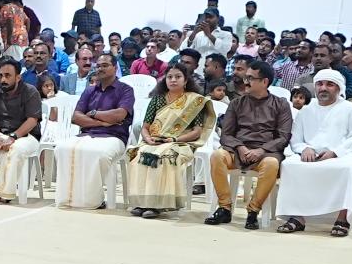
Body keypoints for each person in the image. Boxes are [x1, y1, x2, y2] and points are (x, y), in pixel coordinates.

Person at [274, 68, 352, 237]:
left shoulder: (351, 109)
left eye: (329, 84)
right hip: (311, 154)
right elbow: (296, 139)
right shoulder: (306, 110)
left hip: (344, 154)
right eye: (320, 84)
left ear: (339, 88)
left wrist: (335, 152)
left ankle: (343, 218)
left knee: (349, 169)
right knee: (289, 165)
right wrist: (305, 148)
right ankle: (297, 217)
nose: (323, 88)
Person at [206, 58, 293, 229]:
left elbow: (284, 137)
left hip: (266, 153)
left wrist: (261, 150)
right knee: (217, 156)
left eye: (251, 78)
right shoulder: (237, 103)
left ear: (265, 82)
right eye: (246, 77)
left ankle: (253, 211)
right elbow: (226, 134)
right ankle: (224, 208)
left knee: (272, 164)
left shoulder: (281, 104)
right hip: (238, 150)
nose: (245, 81)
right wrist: (240, 147)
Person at [125, 64, 215, 218]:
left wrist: (173, 138)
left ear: (185, 80)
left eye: (178, 77)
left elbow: (196, 132)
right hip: (154, 140)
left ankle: (158, 205)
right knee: (138, 154)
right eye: (170, 77)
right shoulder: (157, 99)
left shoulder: (194, 101)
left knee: (165, 157)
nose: (173, 80)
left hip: (180, 142)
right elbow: (145, 127)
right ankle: (142, 202)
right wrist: (148, 139)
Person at [48, 52, 133, 209]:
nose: (100, 69)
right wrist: (102, 122)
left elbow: (119, 115)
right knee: (62, 148)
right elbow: (76, 117)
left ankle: (93, 200)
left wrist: (93, 113)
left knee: (99, 153)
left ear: (115, 67)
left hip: (114, 136)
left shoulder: (125, 90)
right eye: (98, 66)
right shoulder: (90, 90)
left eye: (105, 65)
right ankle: (67, 198)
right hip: (87, 134)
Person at [0, 57, 42, 204]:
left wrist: (13, 137)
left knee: (13, 150)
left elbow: (32, 120)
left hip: (26, 135)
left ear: (18, 77)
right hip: (1, 132)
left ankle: (1, 191)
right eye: (1, 75)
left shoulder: (30, 91)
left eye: (8, 75)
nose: (3, 79)